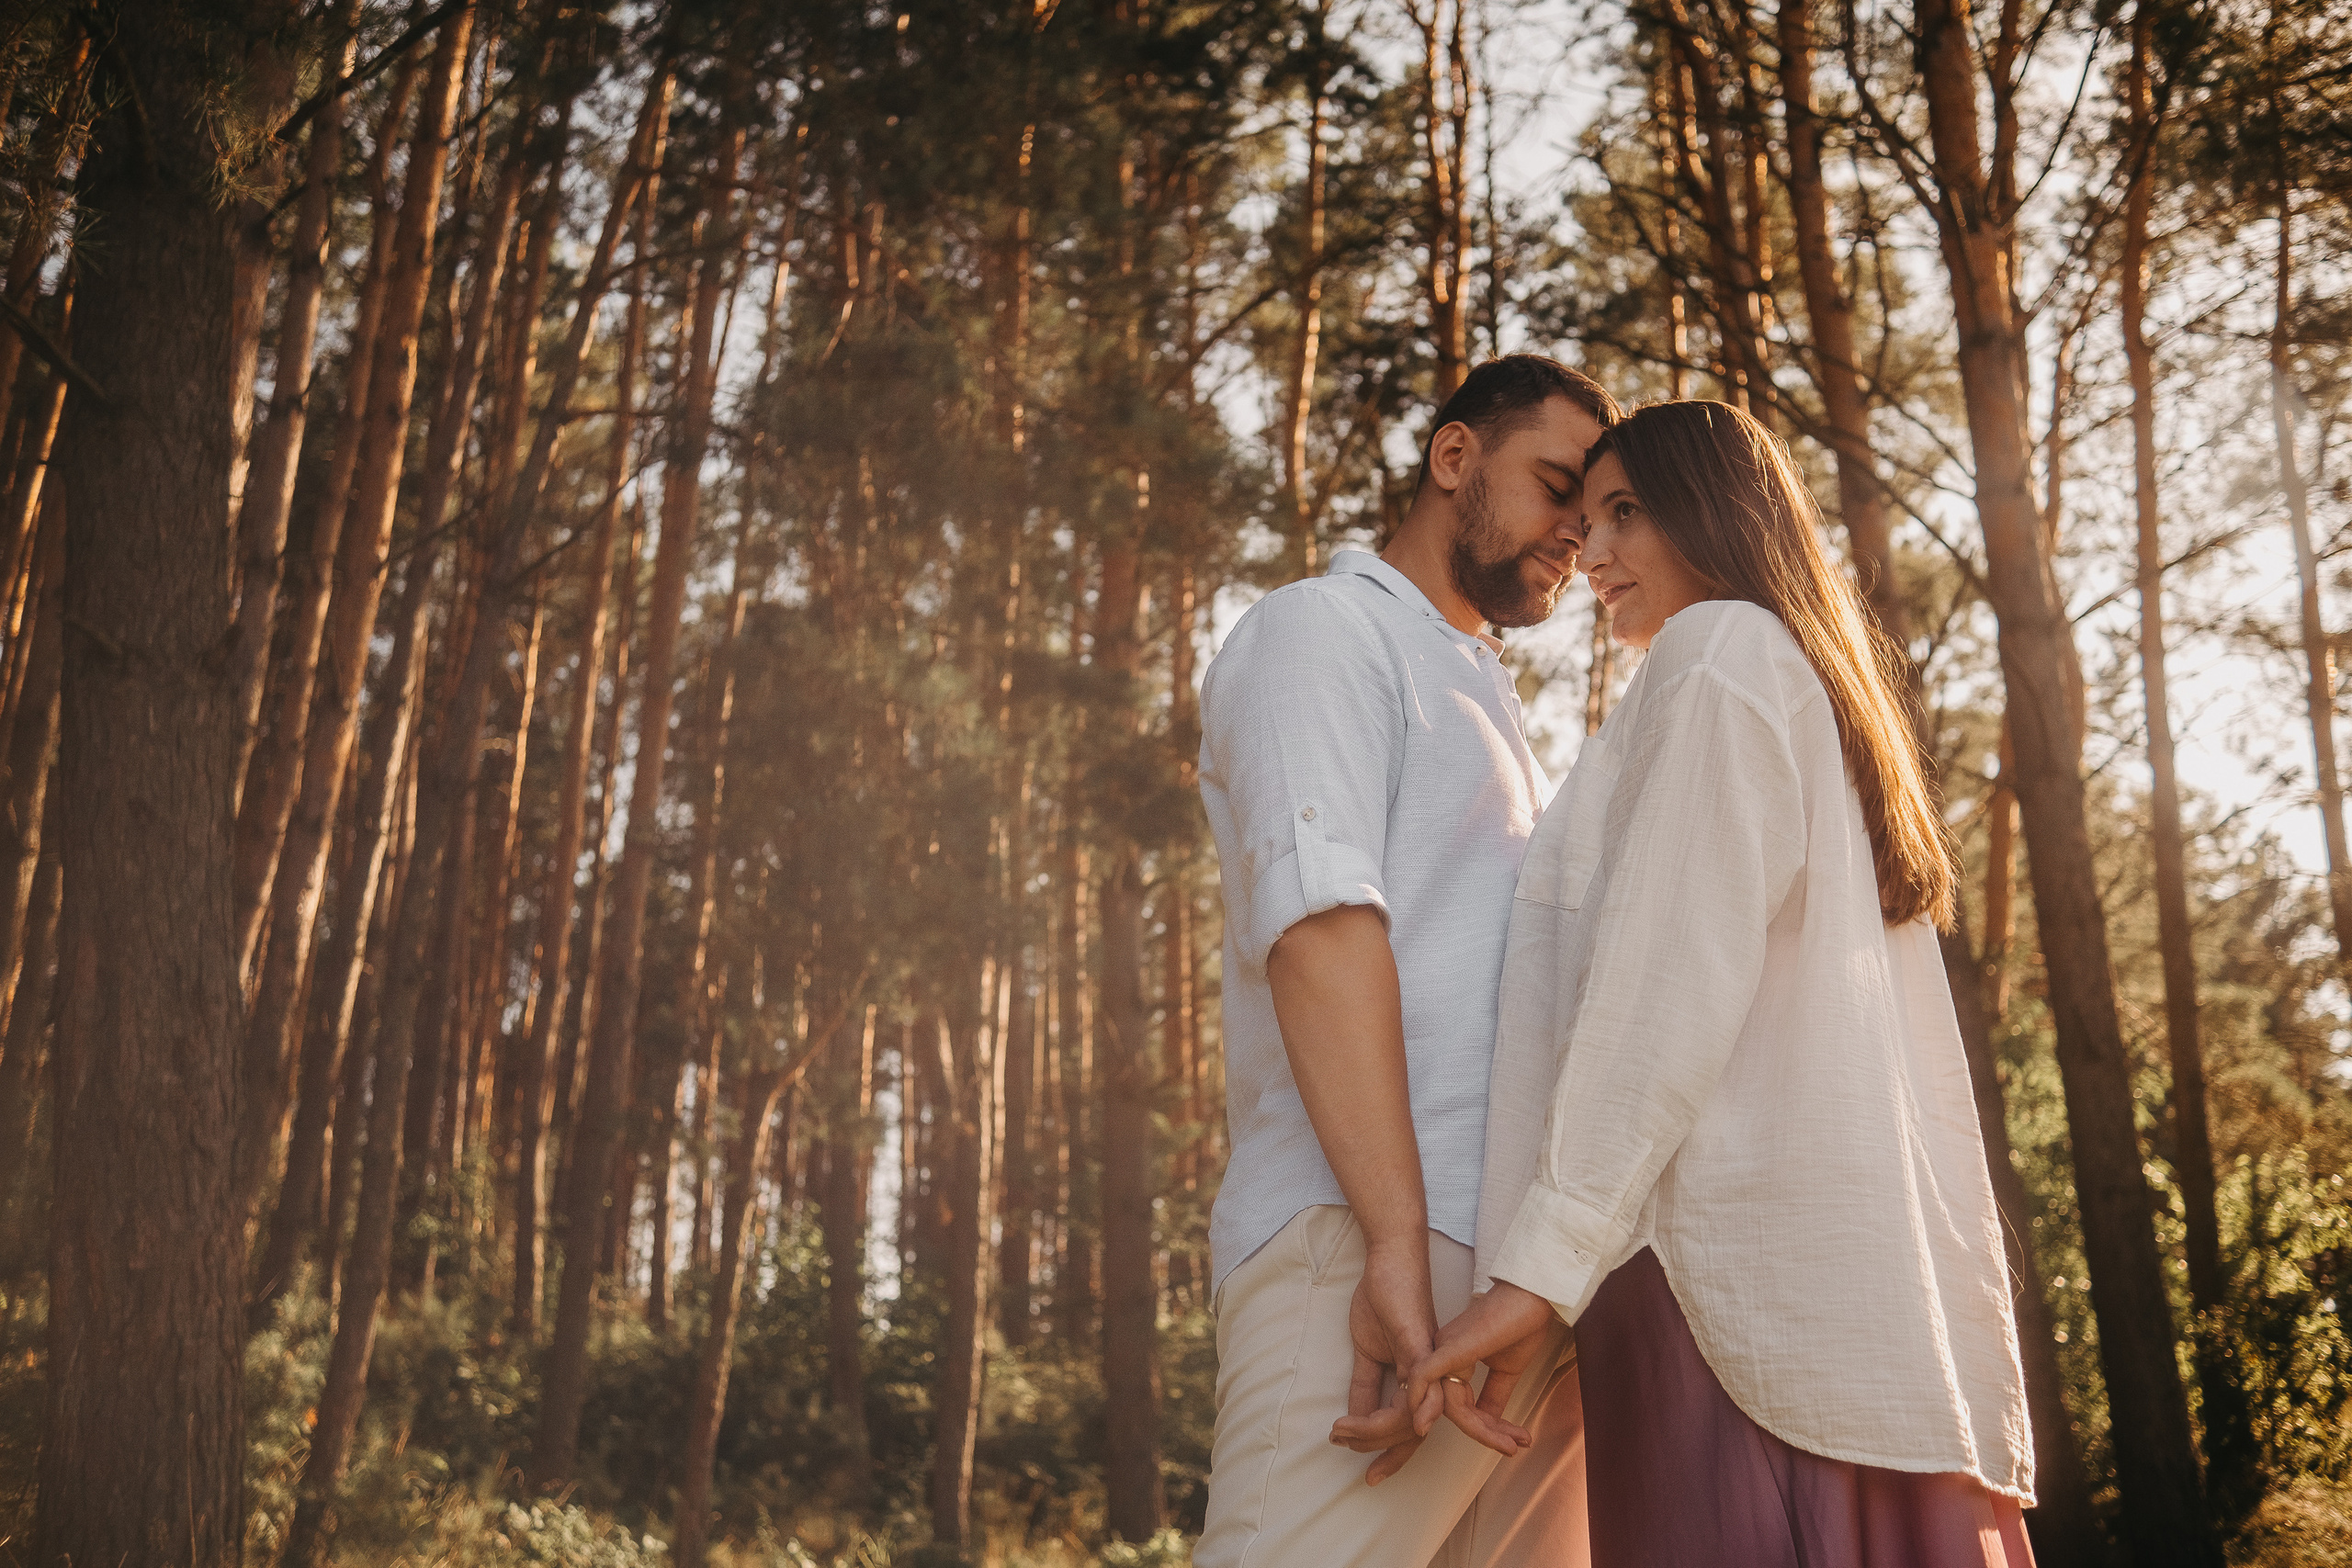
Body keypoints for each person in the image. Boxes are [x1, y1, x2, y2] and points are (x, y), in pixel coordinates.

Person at [1406, 400, 2038, 1567]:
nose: (1589, 554)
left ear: (1719, 514)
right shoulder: (1787, 674)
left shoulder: (1718, 655)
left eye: (1624, 515)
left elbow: (1660, 988)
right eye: (1583, 520)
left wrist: (1535, 1273)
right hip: (1822, 1290)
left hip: (1717, 1280)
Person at [1193, 355, 1620, 1568]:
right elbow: (1321, 924)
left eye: (1591, 520)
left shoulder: (1487, 695)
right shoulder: (1319, 629)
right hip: (1373, 1235)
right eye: (1552, 489)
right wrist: (1391, 1233)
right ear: (1453, 458)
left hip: (1520, 1282)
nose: (1573, 540)